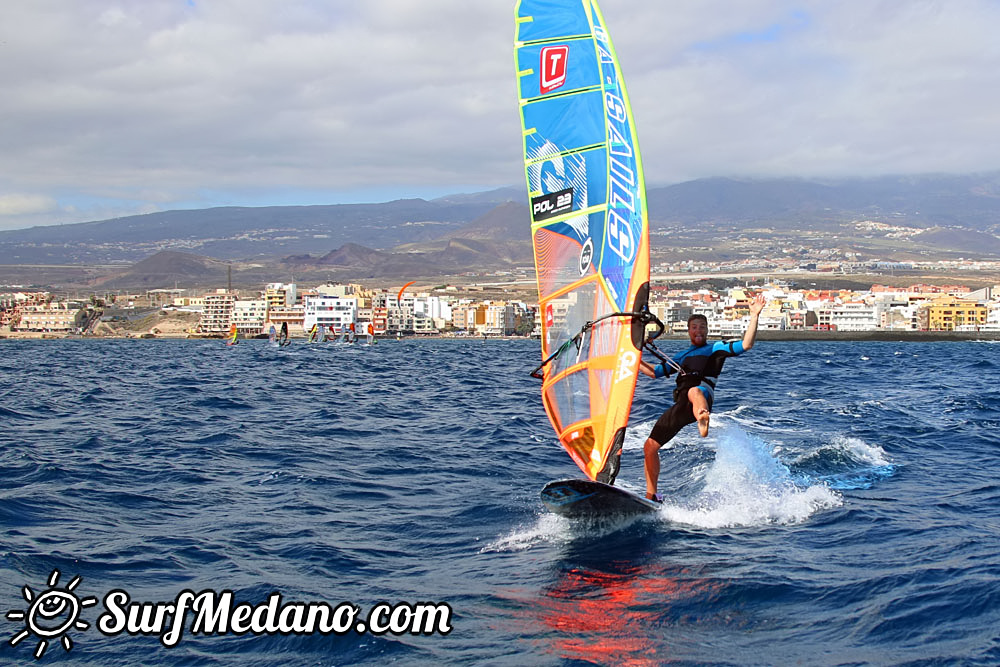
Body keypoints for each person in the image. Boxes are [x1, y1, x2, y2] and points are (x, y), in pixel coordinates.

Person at [639, 293, 766, 502]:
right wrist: (633, 358)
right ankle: (651, 495)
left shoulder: (715, 348)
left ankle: (703, 416)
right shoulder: (681, 356)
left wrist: (754, 316)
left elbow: (746, 345)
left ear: (707, 330)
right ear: (689, 331)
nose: (698, 331)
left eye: (702, 327)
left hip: (702, 394)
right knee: (650, 446)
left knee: (694, 391)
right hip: (682, 405)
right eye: (694, 327)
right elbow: (654, 372)